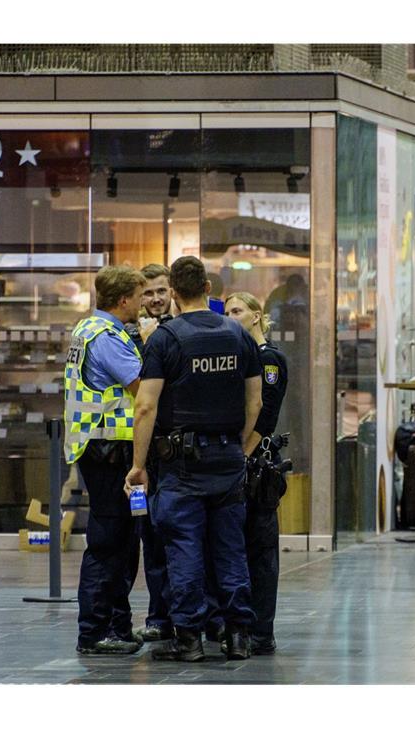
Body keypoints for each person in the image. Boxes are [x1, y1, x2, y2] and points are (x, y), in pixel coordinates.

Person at [126, 256, 262, 661]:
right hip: (227, 458)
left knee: (183, 548)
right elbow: (255, 400)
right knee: (230, 548)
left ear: (174, 293)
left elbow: (145, 407)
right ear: (207, 287)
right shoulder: (237, 334)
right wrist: (236, 441)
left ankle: (188, 639)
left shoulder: (166, 339)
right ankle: (238, 635)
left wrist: (138, 465)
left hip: (181, 463)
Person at [64, 266, 148, 655]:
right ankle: (94, 631)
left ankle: (114, 625)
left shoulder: (87, 329)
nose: (144, 301)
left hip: (99, 445)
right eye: (139, 295)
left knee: (120, 541)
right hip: (109, 447)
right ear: (123, 299)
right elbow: (141, 388)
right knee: (109, 541)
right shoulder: (108, 338)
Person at [225, 291, 289, 654]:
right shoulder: (236, 358)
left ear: (256, 315)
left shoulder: (269, 360)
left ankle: (262, 631)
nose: (231, 316)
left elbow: (266, 413)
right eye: (227, 310)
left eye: (238, 310)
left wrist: (243, 454)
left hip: (257, 464)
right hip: (234, 460)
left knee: (261, 552)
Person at [122, 262, 173, 644]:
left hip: (175, 447)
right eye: (149, 293)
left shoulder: (181, 330)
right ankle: (158, 616)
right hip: (140, 450)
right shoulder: (127, 336)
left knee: (182, 536)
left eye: (161, 291)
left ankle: (187, 614)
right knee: (150, 536)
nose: (155, 299)